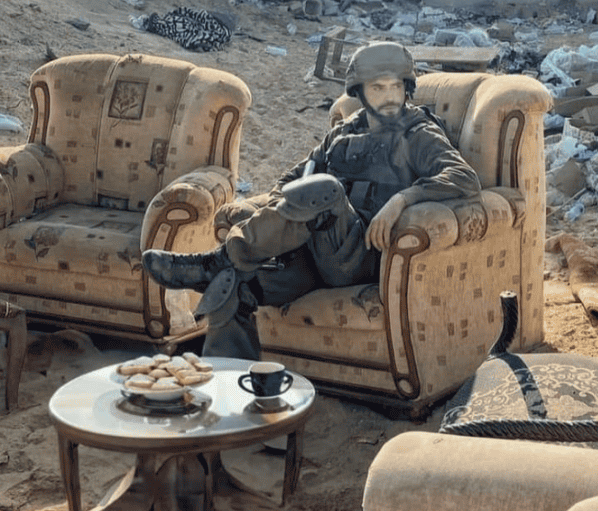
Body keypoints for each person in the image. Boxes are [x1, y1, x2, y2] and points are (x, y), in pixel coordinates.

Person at [142, 41, 482, 358]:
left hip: (362, 256)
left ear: (407, 88)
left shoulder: (419, 134)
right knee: (232, 285)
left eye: (396, 86)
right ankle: (229, 391)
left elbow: (464, 178)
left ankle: (222, 257)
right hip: (314, 256)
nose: (389, 95)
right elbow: (294, 179)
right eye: (378, 87)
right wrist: (280, 214)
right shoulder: (343, 132)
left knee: (326, 188)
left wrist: (402, 201)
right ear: (359, 92)